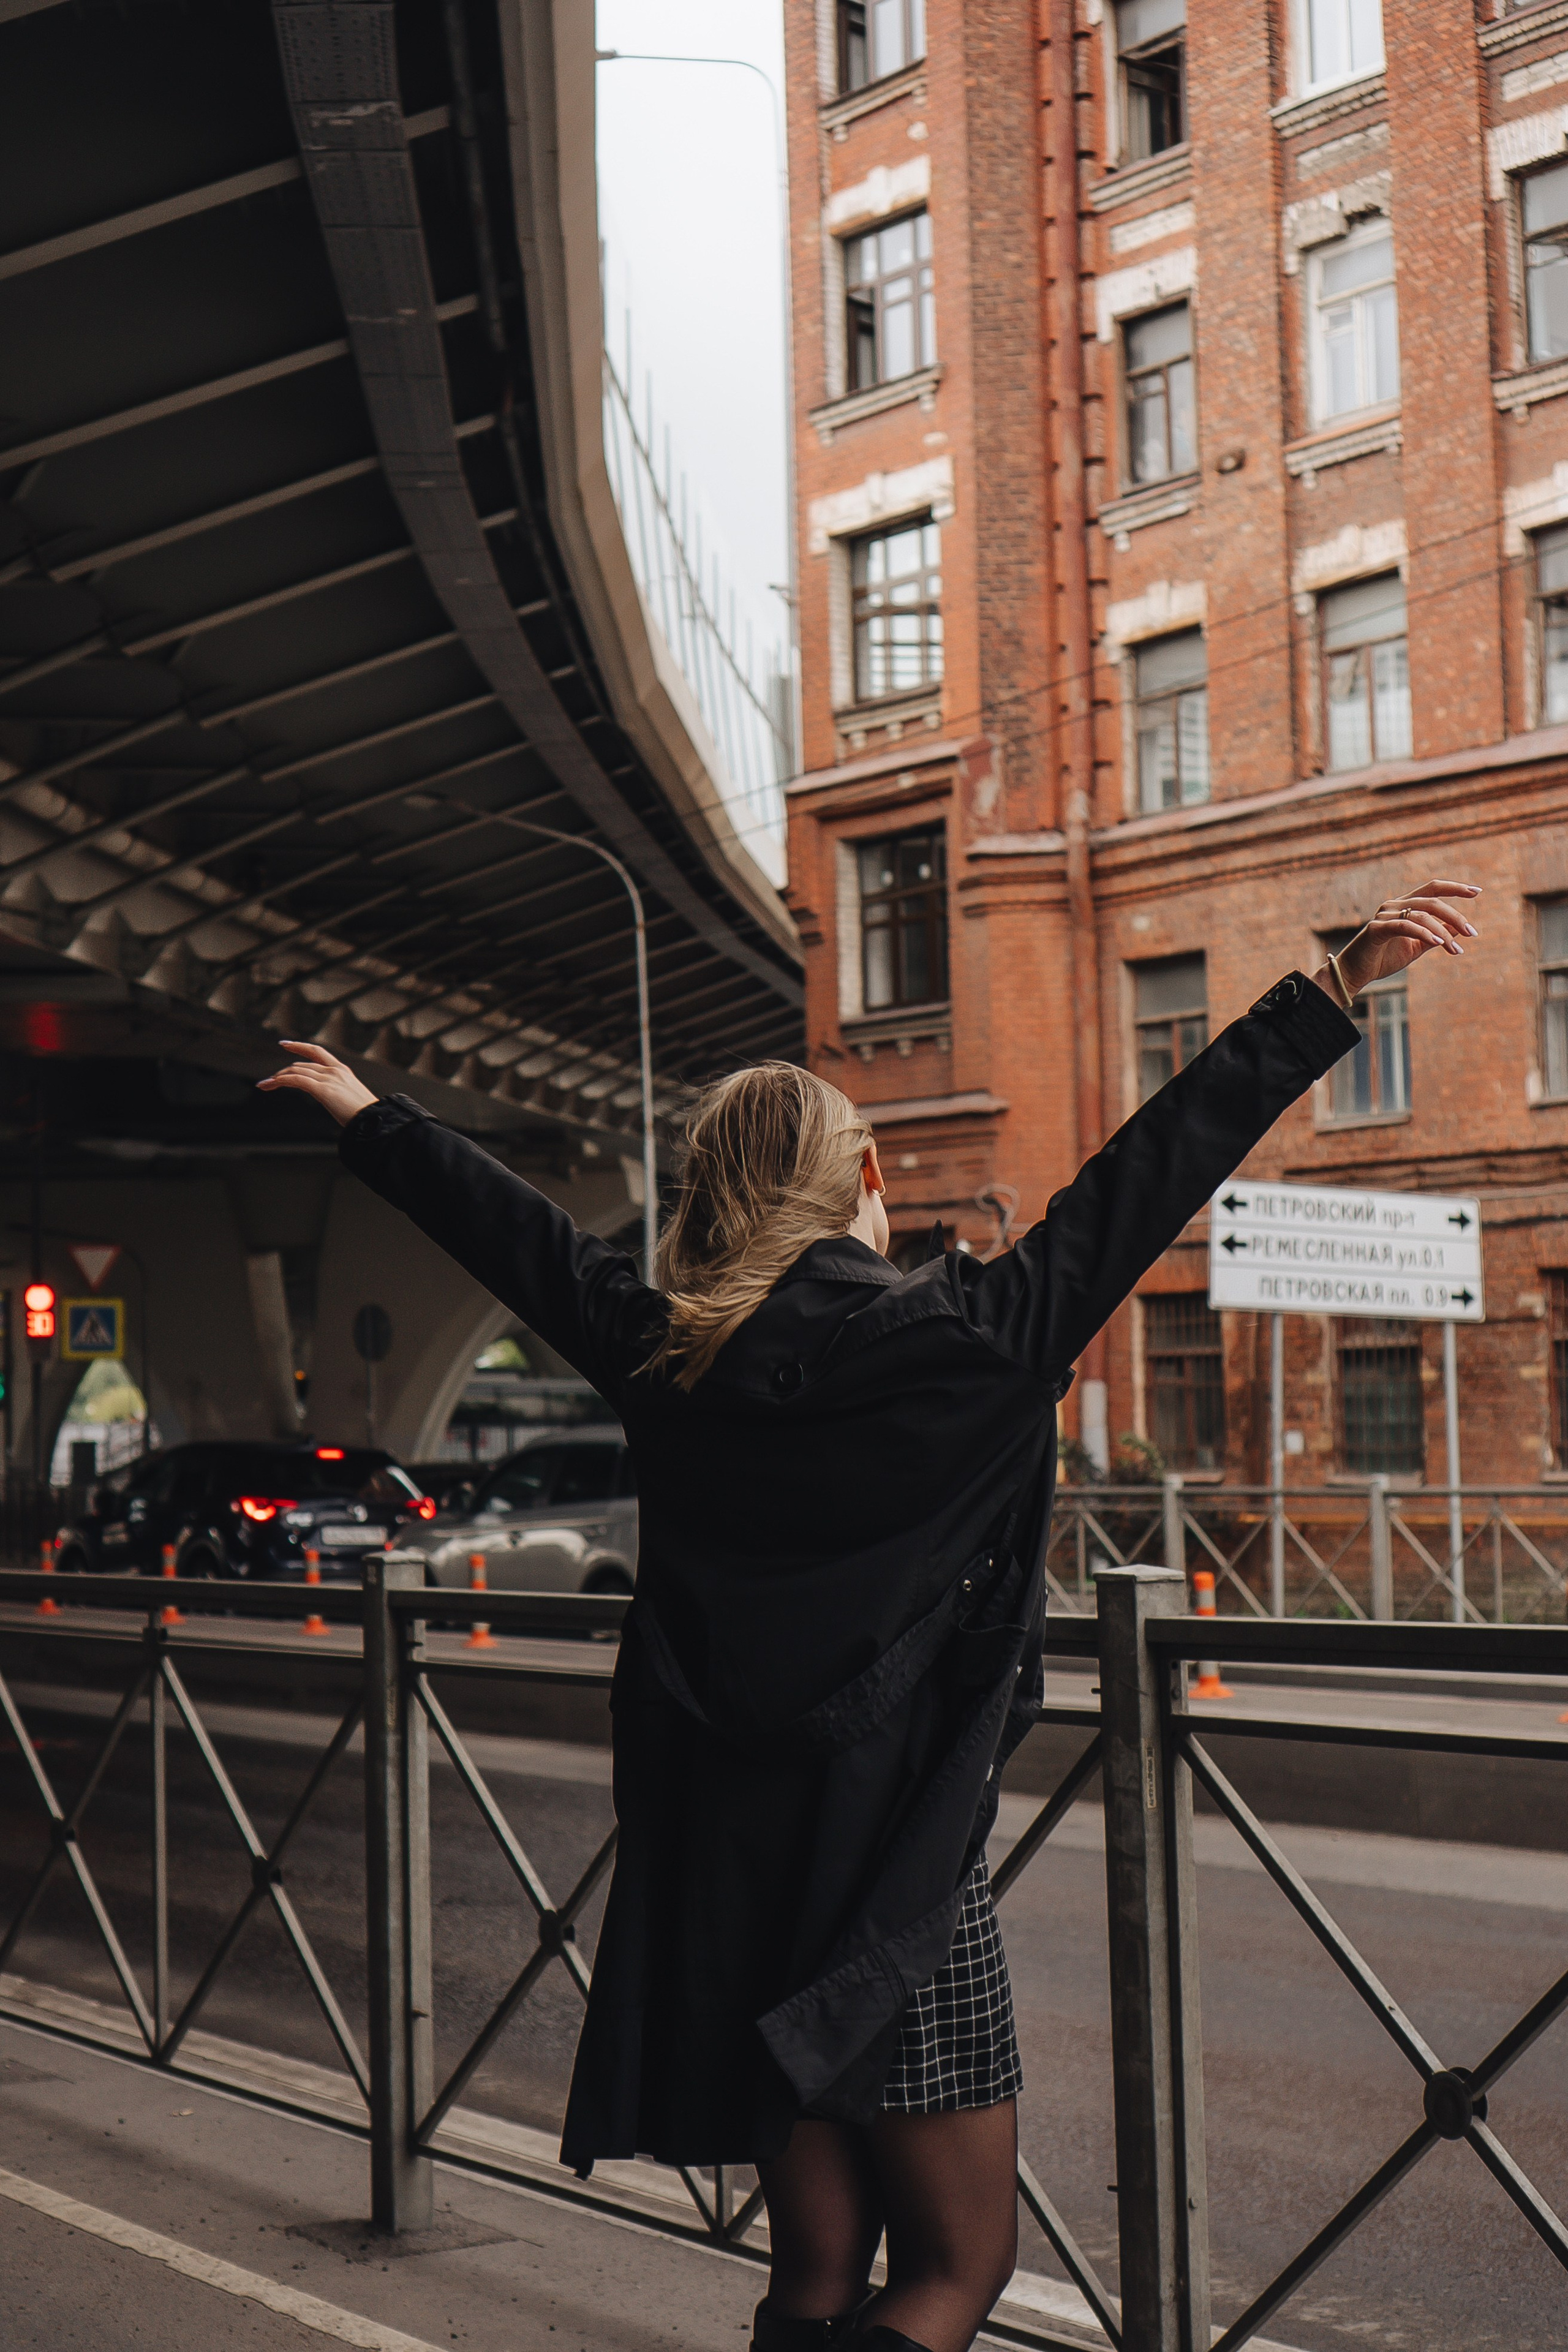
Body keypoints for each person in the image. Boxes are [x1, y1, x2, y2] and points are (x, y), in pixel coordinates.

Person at [261, 881, 1479, 2352]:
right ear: (867, 1180)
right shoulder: (971, 1341)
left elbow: (525, 1244)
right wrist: (1330, 987)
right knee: (957, 2268)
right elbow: (1149, 1170)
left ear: (714, 1200)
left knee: (818, 2271)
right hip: (894, 1883)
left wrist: (372, 1118)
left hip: (727, 1873)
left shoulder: (663, 1355)